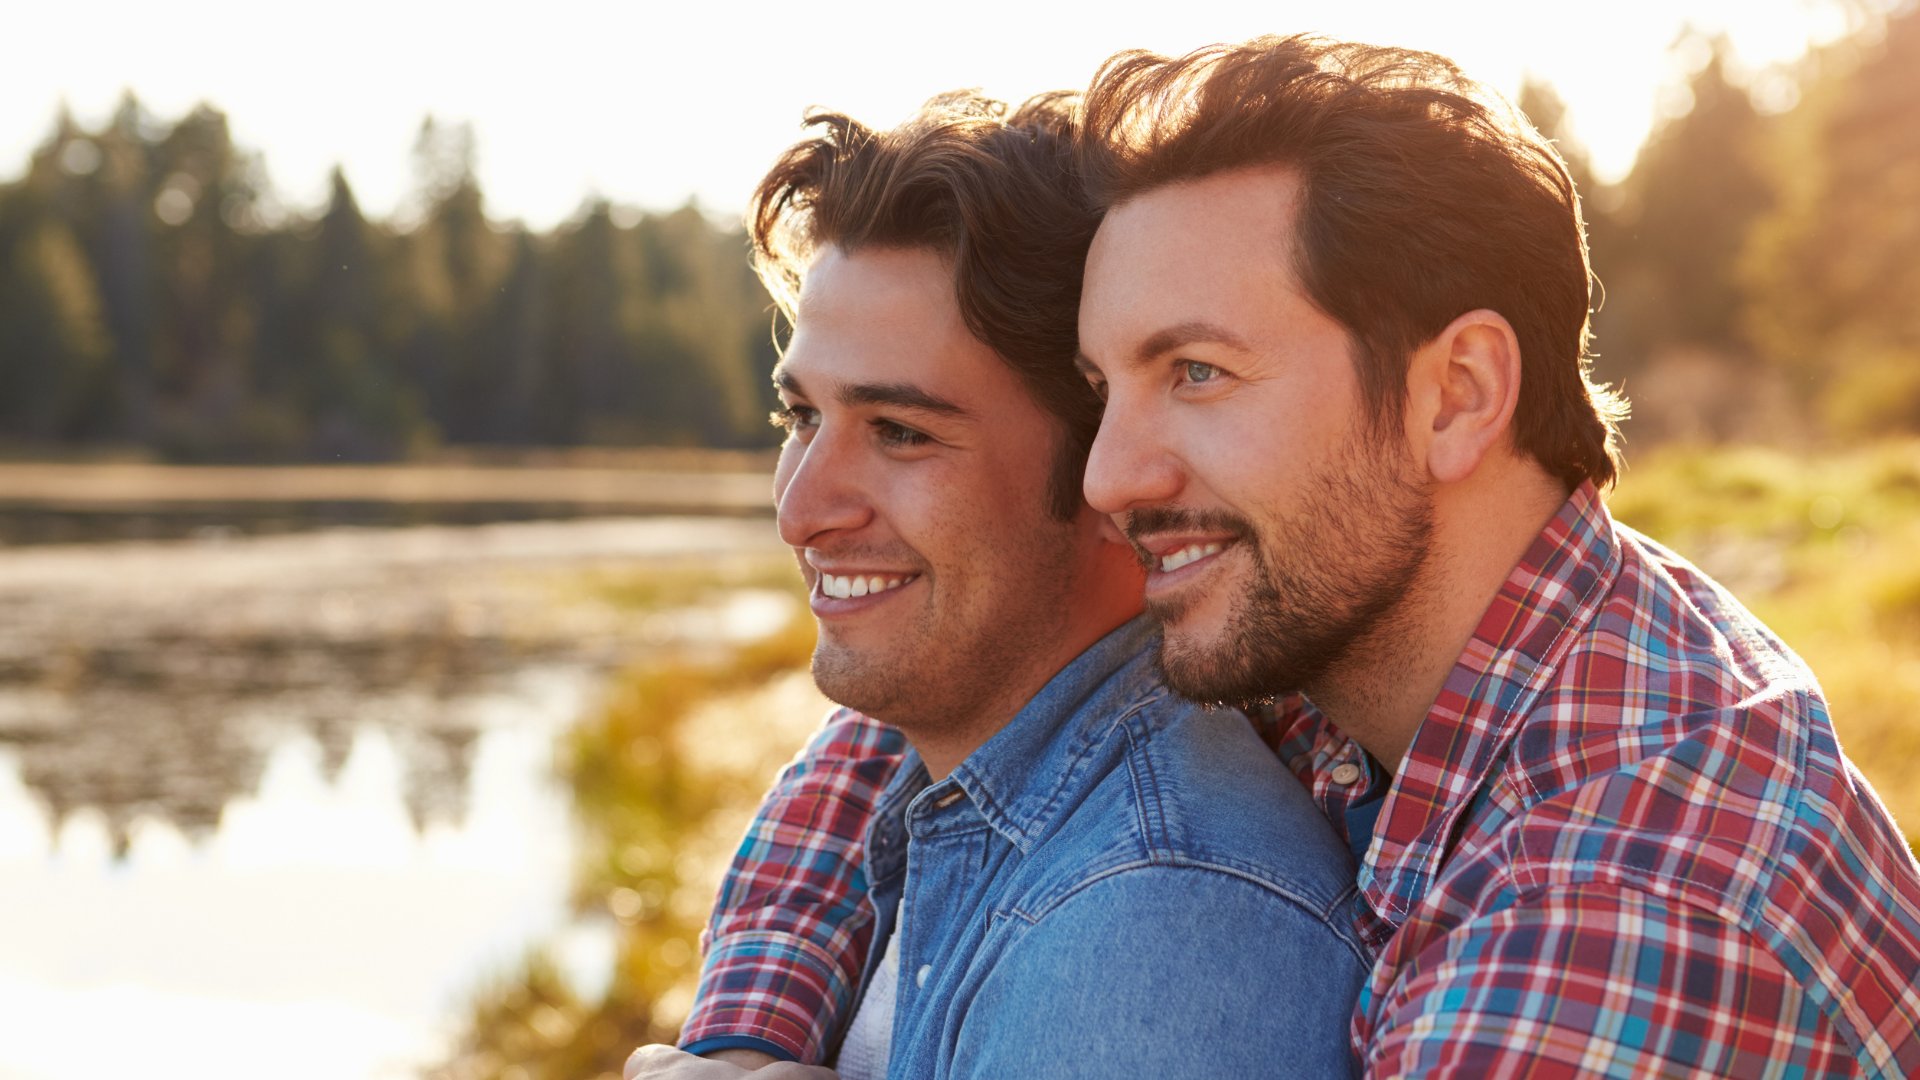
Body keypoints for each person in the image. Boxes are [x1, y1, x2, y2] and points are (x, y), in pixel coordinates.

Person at [640, 35, 1920, 1079]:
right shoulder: (1365, 622)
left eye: (1197, 372)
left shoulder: (1619, 906)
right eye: (1104, 388)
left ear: (1456, 394)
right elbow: (952, 706)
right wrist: (746, 1035)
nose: (1108, 476)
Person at [629, 89, 1370, 1080]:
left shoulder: (1156, 926)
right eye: (800, 419)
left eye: (901, 433)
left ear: (1110, 470)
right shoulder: (932, 771)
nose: (803, 510)